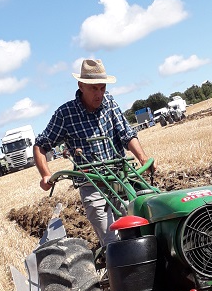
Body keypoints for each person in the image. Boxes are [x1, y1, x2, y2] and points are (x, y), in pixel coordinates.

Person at [33, 58, 155, 246]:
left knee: (140, 230)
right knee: (112, 240)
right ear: (81, 86)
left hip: (121, 180)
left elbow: (127, 134)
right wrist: (45, 175)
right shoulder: (65, 114)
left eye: (102, 88)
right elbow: (41, 145)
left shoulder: (110, 103)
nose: (99, 94)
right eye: (94, 89)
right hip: (92, 185)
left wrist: (142, 158)